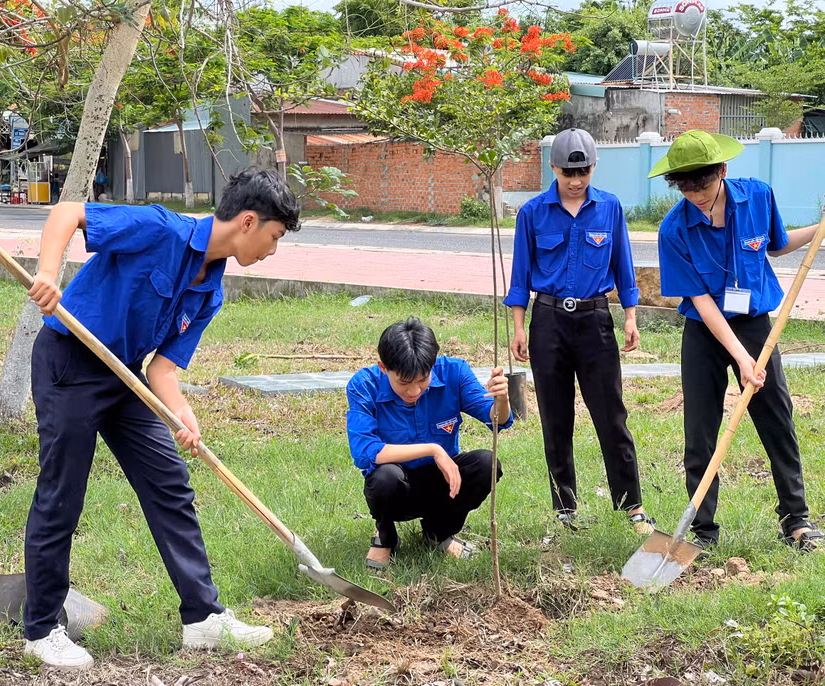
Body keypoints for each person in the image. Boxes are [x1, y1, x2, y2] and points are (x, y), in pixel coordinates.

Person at [23, 169, 300, 670]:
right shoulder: (160, 228)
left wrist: (183, 415)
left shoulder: (211, 291)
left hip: (124, 375)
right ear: (248, 221)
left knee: (170, 484)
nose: (272, 250)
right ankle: (42, 628)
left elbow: (163, 369)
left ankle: (202, 618)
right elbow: (69, 213)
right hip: (71, 361)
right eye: (275, 238)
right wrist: (47, 272)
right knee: (62, 494)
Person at [652, 129, 824, 551]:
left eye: (704, 187)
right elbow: (703, 304)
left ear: (723, 171)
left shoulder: (759, 197)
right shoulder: (673, 229)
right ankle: (703, 531)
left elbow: (778, 246)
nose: (696, 197)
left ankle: (797, 521)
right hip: (706, 332)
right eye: (686, 190)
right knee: (701, 431)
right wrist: (742, 359)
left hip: (755, 326)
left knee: (777, 420)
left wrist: (821, 228)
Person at [505, 127, 654, 534]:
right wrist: (519, 327)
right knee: (556, 418)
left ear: (593, 167)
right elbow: (520, 277)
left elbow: (624, 265)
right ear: (552, 167)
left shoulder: (610, 208)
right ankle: (565, 509)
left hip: (595, 321)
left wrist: (630, 315)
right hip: (548, 323)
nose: (575, 181)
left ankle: (632, 506)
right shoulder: (533, 213)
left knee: (612, 415)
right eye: (568, 173)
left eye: (583, 171)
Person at [346, 317, 512, 570]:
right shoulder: (363, 385)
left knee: (486, 463)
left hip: (444, 481)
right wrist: (434, 450)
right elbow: (364, 452)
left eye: (422, 380)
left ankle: (438, 533)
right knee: (384, 478)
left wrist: (501, 399)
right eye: (403, 382)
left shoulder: (455, 372)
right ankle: (385, 536)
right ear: (383, 367)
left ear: (433, 365)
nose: (414, 391)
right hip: (397, 482)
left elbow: (497, 420)